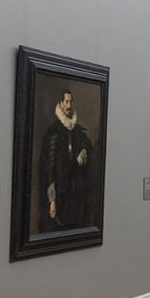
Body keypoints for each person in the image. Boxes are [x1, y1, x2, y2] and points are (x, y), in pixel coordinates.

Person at [40, 88, 95, 231]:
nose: (69, 105)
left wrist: (84, 151)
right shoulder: (54, 131)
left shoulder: (76, 130)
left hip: (75, 190)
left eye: (71, 101)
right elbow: (49, 168)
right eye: (66, 101)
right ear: (61, 104)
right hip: (60, 192)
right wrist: (52, 200)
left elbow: (87, 146)